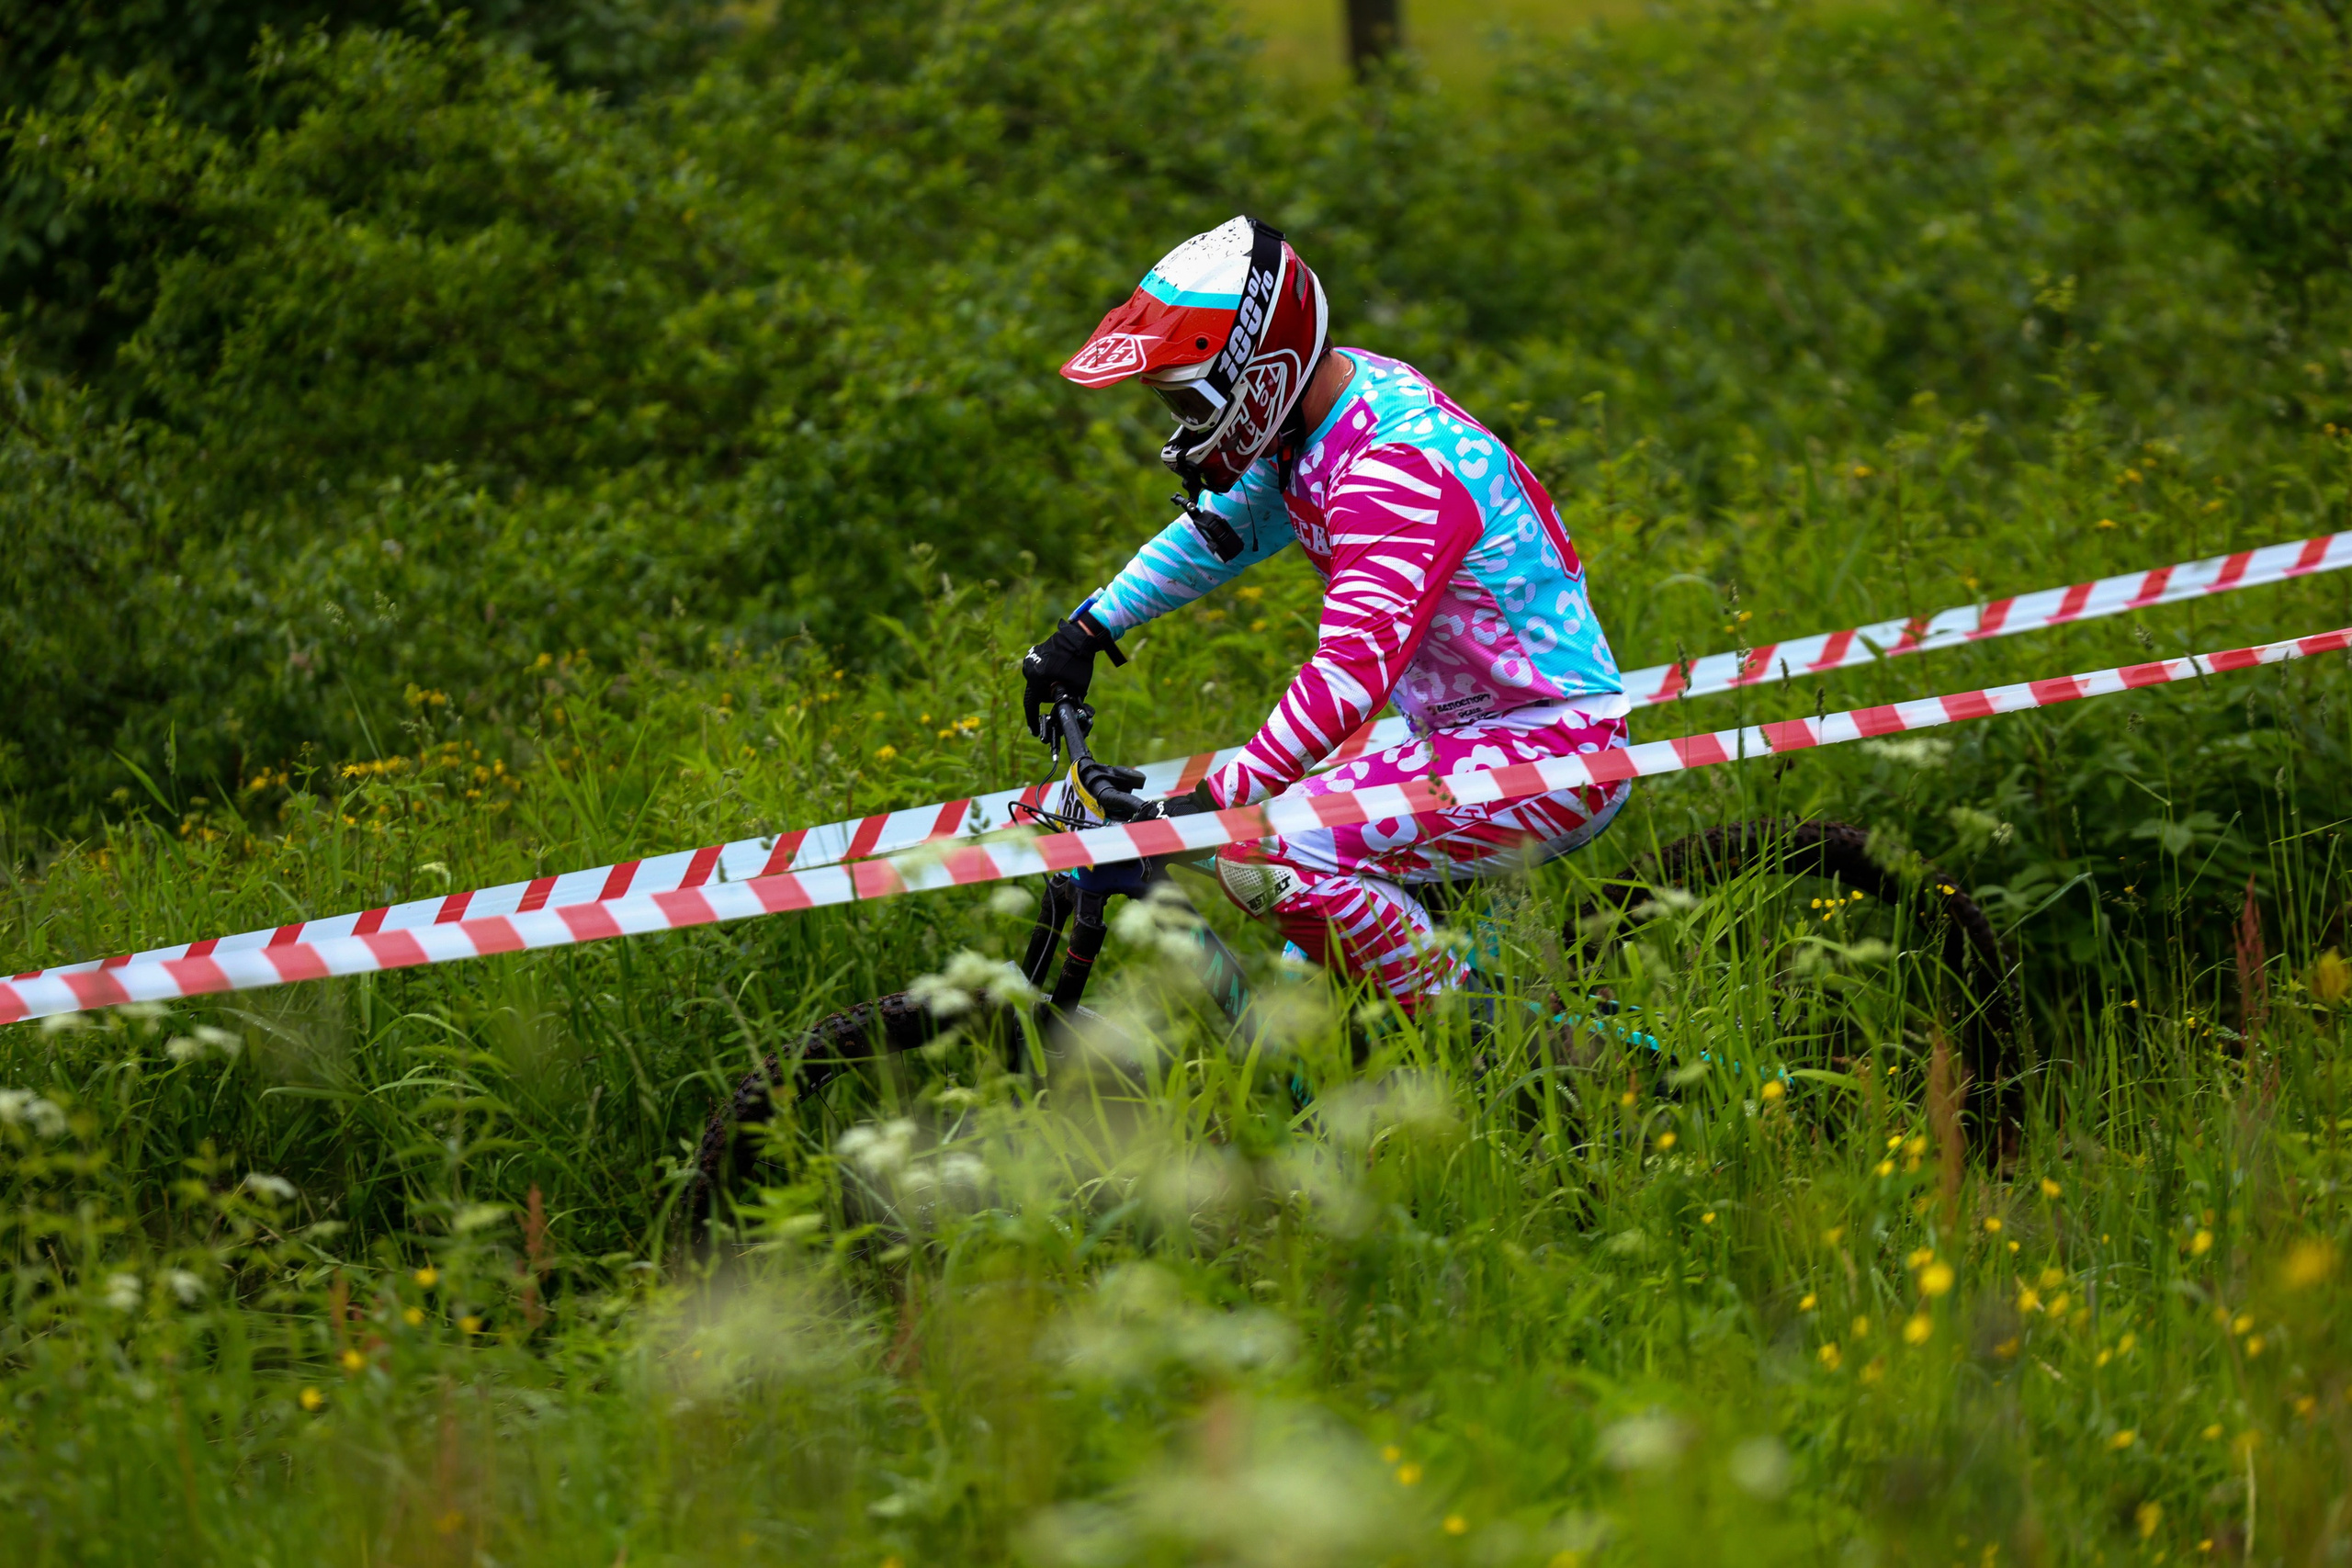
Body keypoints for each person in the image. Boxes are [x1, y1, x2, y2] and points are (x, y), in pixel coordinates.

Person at [1023, 216, 1630, 1012]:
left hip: (1550, 749)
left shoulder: (1393, 469)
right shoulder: (1325, 414)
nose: (1183, 427)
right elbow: (1222, 533)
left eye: (1188, 400)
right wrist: (1090, 628)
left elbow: (1349, 675)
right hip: (1460, 733)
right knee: (1300, 952)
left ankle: (1469, 1041)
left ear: (1265, 371)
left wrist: (1215, 800)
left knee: (1261, 851)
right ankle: (1394, 1031)